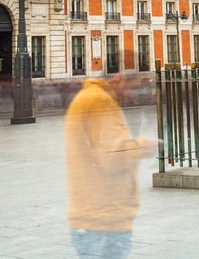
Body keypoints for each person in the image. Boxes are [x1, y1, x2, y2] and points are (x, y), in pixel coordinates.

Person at [64, 73, 155, 258]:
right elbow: (113, 157)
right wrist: (145, 146)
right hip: (104, 221)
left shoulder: (88, 97)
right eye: (133, 89)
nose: (133, 96)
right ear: (118, 79)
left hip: (91, 216)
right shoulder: (100, 101)